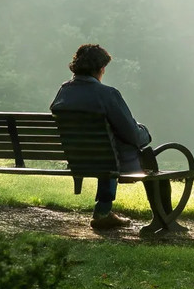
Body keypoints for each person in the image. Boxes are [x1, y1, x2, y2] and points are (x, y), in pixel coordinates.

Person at [50, 43, 172, 232]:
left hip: (78, 159)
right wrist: (145, 133)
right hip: (113, 161)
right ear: (100, 69)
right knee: (150, 162)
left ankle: (104, 213)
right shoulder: (107, 94)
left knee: (106, 152)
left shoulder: (64, 92)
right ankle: (165, 219)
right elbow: (131, 133)